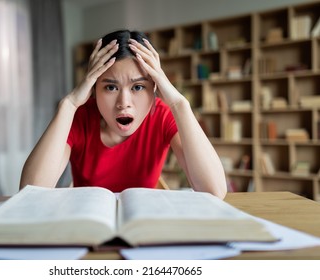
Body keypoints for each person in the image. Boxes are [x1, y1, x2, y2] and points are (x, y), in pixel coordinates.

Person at [20, 29, 227, 199]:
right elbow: (31, 192)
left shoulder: (162, 116)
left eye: (138, 87)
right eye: (110, 87)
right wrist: (69, 103)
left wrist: (179, 103)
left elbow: (214, 191)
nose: (123, 104)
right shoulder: (79, 117)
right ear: (93, 87)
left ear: (154, 87)